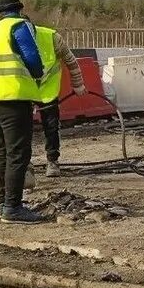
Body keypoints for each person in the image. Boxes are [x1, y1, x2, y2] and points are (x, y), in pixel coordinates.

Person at [0, 0, 51, 224]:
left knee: (3, 152)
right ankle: (13, 208)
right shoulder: (20, 26)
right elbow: (32, 57)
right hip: (15, 96)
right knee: (18, 154)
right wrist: (39, 74)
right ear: (20, 10)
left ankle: (3, 204)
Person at [32, 23, 88, 177]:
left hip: (47, 92)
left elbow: (71, 61)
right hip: (23, 90)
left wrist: (78, 85)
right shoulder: (12, 37)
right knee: (20, 129)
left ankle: (52, 161)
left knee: (51, 127)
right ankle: (22, 164)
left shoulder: (52, 37)